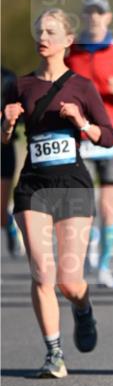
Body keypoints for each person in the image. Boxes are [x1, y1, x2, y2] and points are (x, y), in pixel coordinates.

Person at [1, 9, 113, 377]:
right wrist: (6, 123)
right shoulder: (19, 86)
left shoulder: (81, 86)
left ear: (68, 40)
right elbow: (3, 140)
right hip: (33, 186)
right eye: (39, 31)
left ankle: (82, 307)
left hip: (73, 187)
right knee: (42, 274)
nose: (43, 37)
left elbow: (108, 136)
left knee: (69, 280)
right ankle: (54, 353)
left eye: (51, 32)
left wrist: (80, 122)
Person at [66, 0, 113, 288]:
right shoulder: (71, 52)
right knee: (81, 203)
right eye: (89, 13)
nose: (94, 18)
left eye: (100, 13)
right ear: (83, 18)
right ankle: (91, 244)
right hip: (79, 136)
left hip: (110, 136)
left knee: (108, 205)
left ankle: (105, 266)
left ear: (108, 18)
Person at [1, 65, 23, 255]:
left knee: (0, 212)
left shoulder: (8, 78)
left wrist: (7, 120)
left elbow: (20, 115)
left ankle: (9, 226)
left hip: (4, 148)